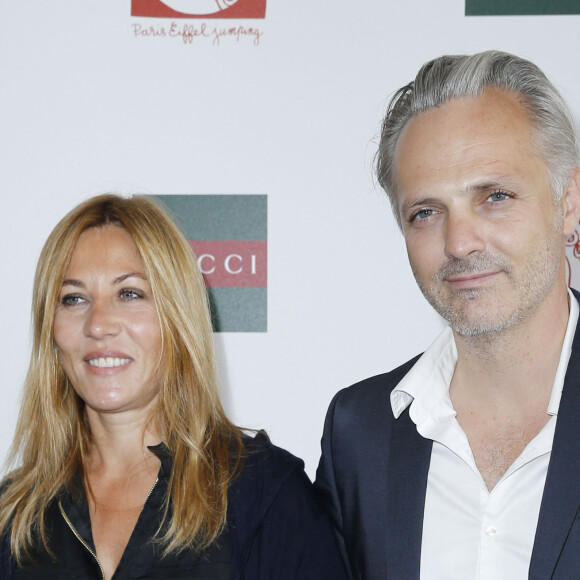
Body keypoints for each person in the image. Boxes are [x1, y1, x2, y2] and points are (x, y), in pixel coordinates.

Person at [315, 50, 580, 579]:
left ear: (569, 203)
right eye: (426, 213)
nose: (459, 242)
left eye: (495, 196)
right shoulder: (359, 431)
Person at [0, 194, 349, 580]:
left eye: (129, 294)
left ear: (177, 317)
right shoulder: (14, 515)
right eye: (74, 298)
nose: (98, 325)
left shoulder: (264, 492)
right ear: (50, 330)